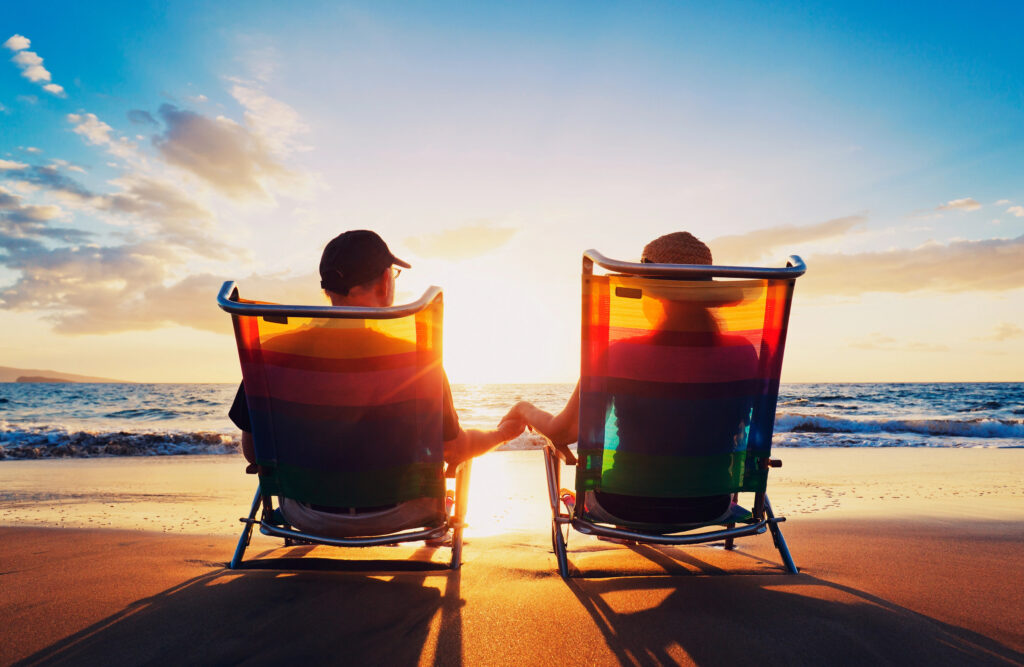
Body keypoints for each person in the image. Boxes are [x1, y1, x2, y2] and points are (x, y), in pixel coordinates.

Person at [229, 230, 525, 536]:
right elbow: (453, 448)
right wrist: (502, 433)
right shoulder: (417, 359)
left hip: (305, 515)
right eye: (394, 274)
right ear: (386, 281)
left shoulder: (272, 354)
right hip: (403, 513)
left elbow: (255, 452)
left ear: (328, 288)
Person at [501, 231, 755, 526]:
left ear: (651, 294)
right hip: (711, 504)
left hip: (623, 504)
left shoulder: (619, 353)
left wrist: (523, 409)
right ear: (708, 298)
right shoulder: (744, 353)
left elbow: (562, 432)